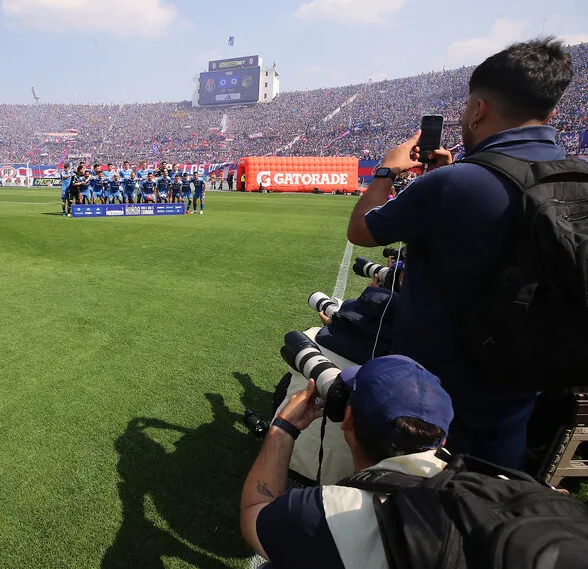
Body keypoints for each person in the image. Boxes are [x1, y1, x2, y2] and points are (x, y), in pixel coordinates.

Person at [345, 38, 573, 469]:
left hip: (439, 392)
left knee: (424, 502)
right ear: (552, 113)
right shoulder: (573, 178)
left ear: (478, 110)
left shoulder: (456, 185)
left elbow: (361, 229)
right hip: (526, 384)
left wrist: (386, 171)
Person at [240, 356, 453, 569]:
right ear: (442, 439)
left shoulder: (332, 512)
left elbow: (255, 515)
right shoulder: (475, 488)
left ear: (348, 420)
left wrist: (282, 428)